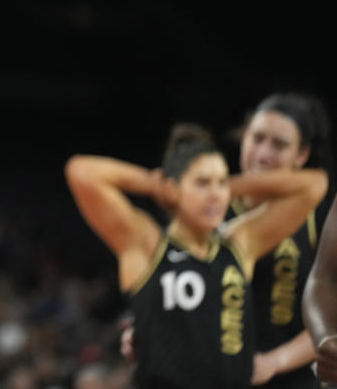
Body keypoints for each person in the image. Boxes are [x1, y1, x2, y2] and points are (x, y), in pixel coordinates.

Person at [66, 123, 327, 389]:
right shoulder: (148, 246)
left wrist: (230, 186)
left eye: (221, 183)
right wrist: (153, 184)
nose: (215, 194)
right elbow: (81, 171)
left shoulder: (239, 245)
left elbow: (314, 184)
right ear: (172, 189)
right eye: (202, 183)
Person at [229, 93, 334, 387]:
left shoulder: (320, 215)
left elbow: (332, 316)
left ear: (302, 155)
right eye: (257, 138)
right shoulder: (210, 209)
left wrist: (274, 361)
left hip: (293, 379)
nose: (263, 153)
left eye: (279, 144)